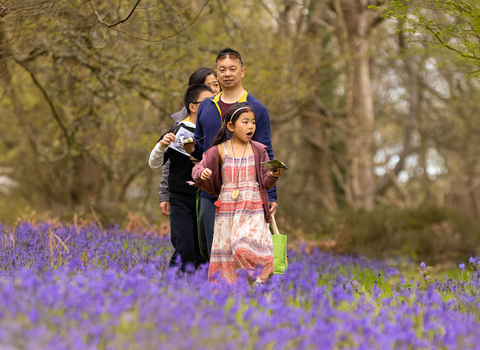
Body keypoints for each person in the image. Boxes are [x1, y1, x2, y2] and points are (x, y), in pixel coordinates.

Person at [184, 47, 277, 261]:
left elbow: (266, 153)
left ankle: (246, 295)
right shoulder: (206, 106)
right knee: (215, 255)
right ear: (216, 74)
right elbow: (203, 148)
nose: (227, 74)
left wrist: (271, 195)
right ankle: (218, 294)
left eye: (232, 69)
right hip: (211, 193)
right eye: (222, 70)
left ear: (242, 71)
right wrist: (192, 149)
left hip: (247, 194)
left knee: (245, 255)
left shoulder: (257, 109)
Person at [190, 103, 284, 283]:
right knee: (229, 254)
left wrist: (273, 176)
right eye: (246, 122)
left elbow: (265, 180)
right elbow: (197, 169)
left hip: (253, 207)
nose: (251, 126)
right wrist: (201, 174)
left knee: (242, 247)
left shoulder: (259, 150)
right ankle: (236, 296)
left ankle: (260, 278)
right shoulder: (218, 150)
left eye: (253, 122)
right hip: (228, 209)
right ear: (231, 126)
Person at [149, 84, 215, 270]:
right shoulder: (177, 131)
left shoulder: (214, 133)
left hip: (206, 198)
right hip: (180, 198)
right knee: (183, 247)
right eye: (207, 103)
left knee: (202, 250)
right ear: (192, 106)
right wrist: (161, 145)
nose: (211, 106)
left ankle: (196, 291)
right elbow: (154, 163)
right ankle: (172, 285)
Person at [158, 68, 220, 216]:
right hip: (184, 192)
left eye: (216, 84)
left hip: (213, 189)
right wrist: (165, 194)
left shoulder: (227, 113)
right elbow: (169, 161)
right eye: (208, 85)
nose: (214, 90)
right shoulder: (181, 122)